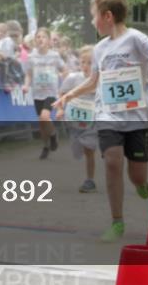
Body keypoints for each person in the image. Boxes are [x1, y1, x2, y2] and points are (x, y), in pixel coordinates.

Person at [53, 0, 148, 242]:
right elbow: (94, 81)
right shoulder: (99, 48)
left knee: (137, 175)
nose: (92, 22)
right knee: (112, 161)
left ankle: (141, 183)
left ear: (107, 16)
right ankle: (117, 221)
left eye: (94, 16)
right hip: (107, 115)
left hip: (137, 118)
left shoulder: (137, 39)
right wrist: (69, 95)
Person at [56, 45, 99, 193]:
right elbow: (62, 93)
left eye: (90, 63)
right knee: (77, 150)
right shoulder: (73, 78)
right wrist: (61, 109)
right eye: (83, 62)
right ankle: (79, 144)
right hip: (74, 121)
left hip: (92, 121)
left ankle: (90, 180)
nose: (86, 66)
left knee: (89, 149)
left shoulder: (99, 80)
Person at [22, 27, 64, 159]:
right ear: (35, 40)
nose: (40, 39)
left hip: (51, 92)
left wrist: (62, 80)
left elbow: (64, 70)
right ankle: (45, 146)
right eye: (38, 37)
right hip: (37, 93)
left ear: (49, 40)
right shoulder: (31, 56)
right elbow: (29, 74)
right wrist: (26, 85)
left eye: (43, 37)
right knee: (42, 124)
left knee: (45, 117)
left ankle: (53, 135)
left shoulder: (54, 56)